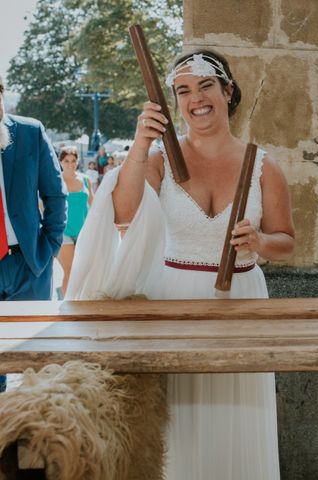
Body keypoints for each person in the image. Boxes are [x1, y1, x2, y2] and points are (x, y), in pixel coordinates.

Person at [67, 49, 294, 479]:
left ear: (227, 91)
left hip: (241, 305)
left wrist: (260, 240)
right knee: (176, 427)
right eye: (183, 91)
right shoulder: (159, 160)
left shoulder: (264, 166)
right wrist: (140, 142)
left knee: (235, 422)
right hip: (172, 303)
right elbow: (121, 215)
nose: (196, 99)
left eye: (206, 85)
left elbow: (287, 243)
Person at [0, 74, 66, 391]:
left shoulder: (29, 132)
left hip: (29, 263)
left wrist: (49, 247)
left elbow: (55, 194)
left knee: (38, 368)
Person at [57, 146, 93, 297]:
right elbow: (43, 206)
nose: (70, 164)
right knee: (70, 269)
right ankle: (65, 305)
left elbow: (93, 204)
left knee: (83, 270)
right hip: (64, 231)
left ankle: (77, 301)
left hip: (83, 231)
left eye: (73, 161)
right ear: (60, 162)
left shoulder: (86, 179)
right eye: (66, 161)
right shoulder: (56, 180)